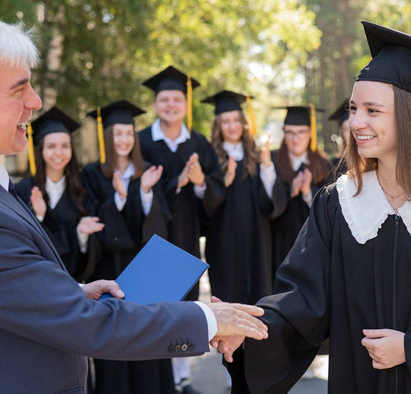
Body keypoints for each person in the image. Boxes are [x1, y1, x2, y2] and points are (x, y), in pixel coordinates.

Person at [0, 18, 268, 394]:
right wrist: (210, 319)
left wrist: (71, 290)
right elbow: (85, 324)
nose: (35, 102)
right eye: (19, 89)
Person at [218, 21, 411, 393]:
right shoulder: (339, 204)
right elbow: (303, 300)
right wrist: (250, 329)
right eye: (353, 108)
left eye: (372, 110)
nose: (355, 122)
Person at [137, 65, 224, 391]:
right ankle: (155, 376)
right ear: (156, 104)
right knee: (153, 304)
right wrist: (179, 182)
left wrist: (200, 183)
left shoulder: (199, 144)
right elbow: (140, 191)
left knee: (184, 305)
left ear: (186, 104)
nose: (170, 105)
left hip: (186, 237)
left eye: (176, 99)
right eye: (164, 99)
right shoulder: (141, 142)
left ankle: (181, 377)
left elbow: (215, 193)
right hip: (152, 239)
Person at [81, 100, 174, 394]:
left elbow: (158, 228)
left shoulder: (146, 172)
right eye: (117, 134)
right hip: (110, 274)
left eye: (128, 134)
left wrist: (145, 192)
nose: (123, 140)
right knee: (115, 348)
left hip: (144, 275)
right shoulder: (92, 174)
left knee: (148, 347)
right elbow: (100, 229)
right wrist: (119, 200)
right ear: (107, 138)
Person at [201, 90, 286, 305]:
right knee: (227, 295)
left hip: (256, 235)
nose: (232, 126)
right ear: (218, 126)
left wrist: (267, 164)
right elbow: (204, 205)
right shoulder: (210, 156)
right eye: (226, 121)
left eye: (236, 120)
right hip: (223, 239)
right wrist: (224, 180)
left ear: (244, 123)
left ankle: (258, 338)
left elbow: (270, 200)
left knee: (260, 295)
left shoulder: (256, 154)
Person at [15, 106, 103, 283]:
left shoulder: (83, 190)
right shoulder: (23, 190)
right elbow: (18, 240)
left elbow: (90, 255)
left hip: (73, 282)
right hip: (35, 280)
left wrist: (82, 234)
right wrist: (38, 216)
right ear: (41, 150)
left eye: (65, 146)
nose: (59, 153)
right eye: (51, 146)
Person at [270, 105, 334, 274]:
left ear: (311, 133)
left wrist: (307, 192)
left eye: (301, 132)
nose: (295, 139)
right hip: (278, 246)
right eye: (290, 132)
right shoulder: (272, 162)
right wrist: (289, 192)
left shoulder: (324, 164)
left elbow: (331, 209)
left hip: (311, 247)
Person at [328, 99, 350, 178]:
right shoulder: (333, 166)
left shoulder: (376, 162)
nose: (352, 134)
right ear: (342, 133)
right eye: (347, 130)